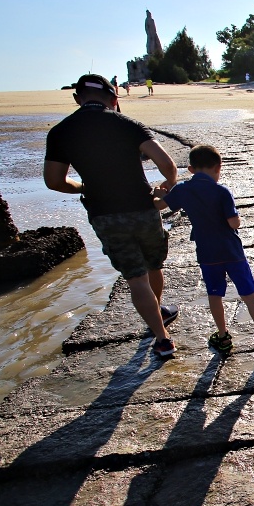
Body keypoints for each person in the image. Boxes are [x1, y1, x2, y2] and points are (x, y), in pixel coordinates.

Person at [44, 73, 180, 357]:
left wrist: (83, 186)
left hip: (105, 214)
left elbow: (54, 181)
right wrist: (166, 188)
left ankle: (161, 337)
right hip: (142, 209)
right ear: (114, 98)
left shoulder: (61, 131)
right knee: (154, 265)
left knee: (135, 277)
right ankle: (160, 314)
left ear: (77, 99)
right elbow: (167, 163)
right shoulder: (128, 124)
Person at [152, 145, 254, 354]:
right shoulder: (222, 191)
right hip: (231, 252)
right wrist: (237, 219)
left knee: (215, 294)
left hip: (207, 253)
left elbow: (159, 206)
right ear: (219, 167)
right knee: (248, 293)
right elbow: (234, 223)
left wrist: (158, 194)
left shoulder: (182, 189)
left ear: (191, 169)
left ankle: (223, 336)